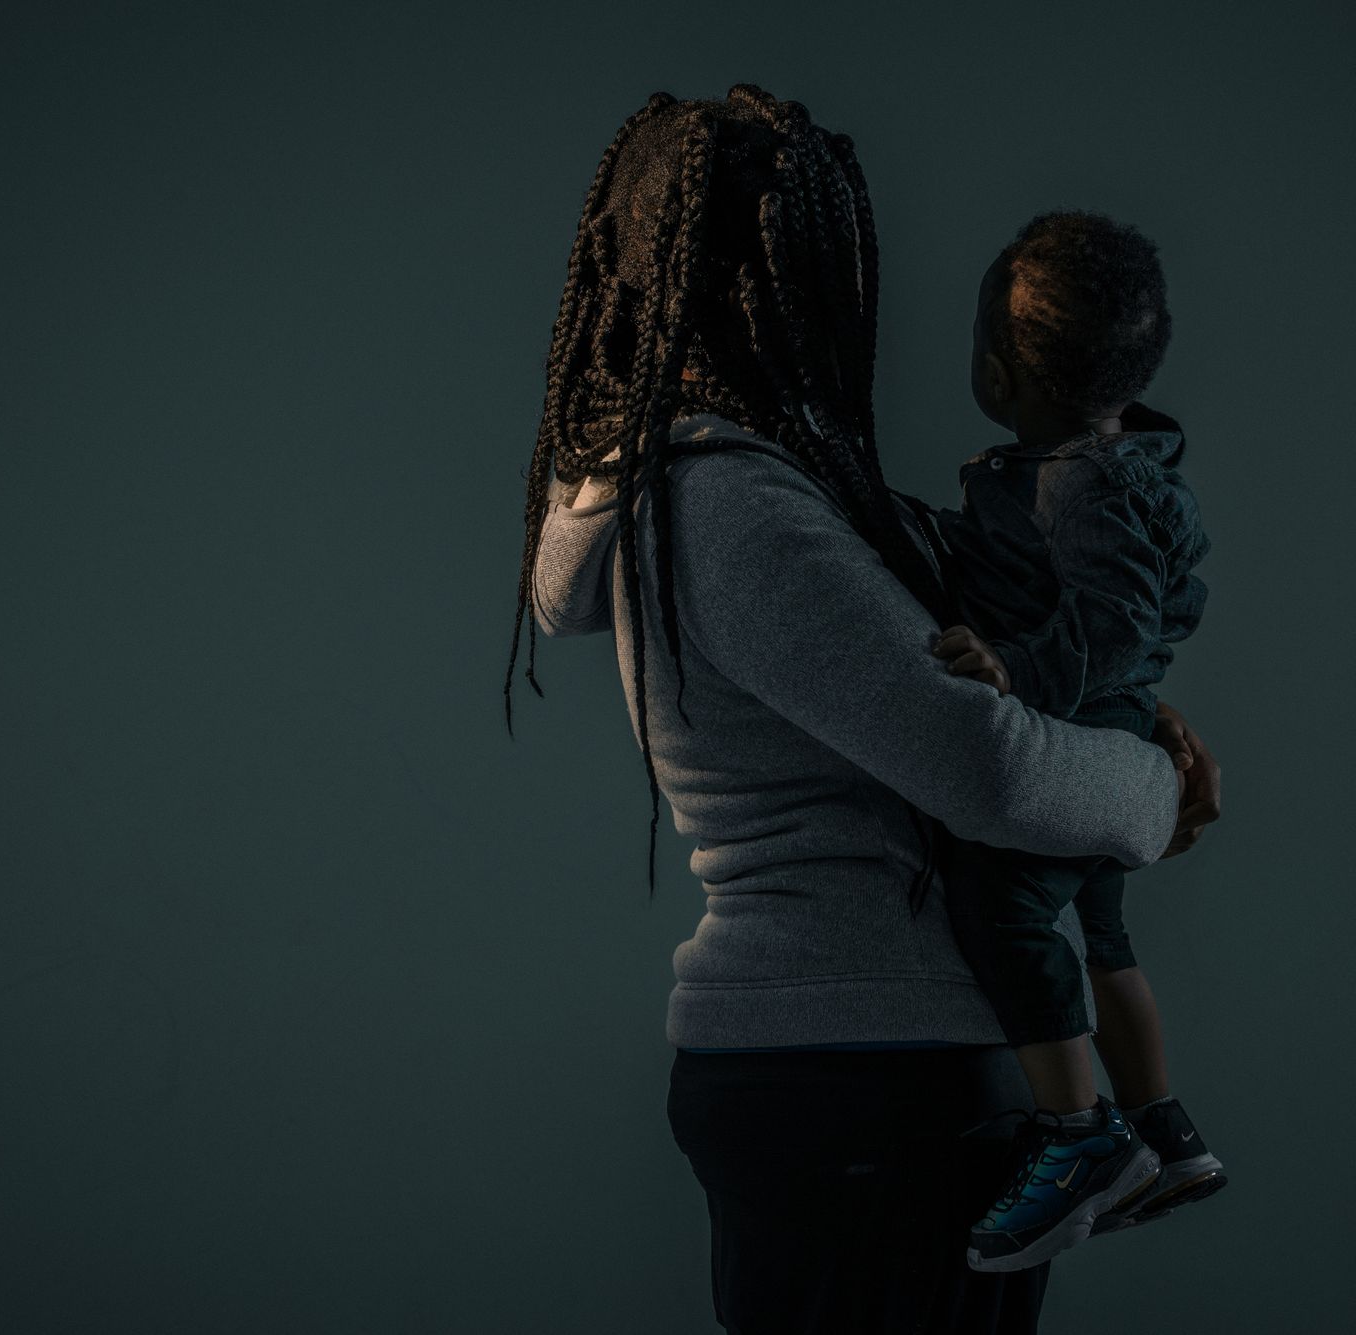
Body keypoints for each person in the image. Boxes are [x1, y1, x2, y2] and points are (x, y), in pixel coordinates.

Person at [502, 86, 1222, 1335]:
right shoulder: (731, 504)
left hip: (868, 1072)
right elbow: (984, 768)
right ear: (781, 279)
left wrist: (1120, 726)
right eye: (826, 259)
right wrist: (1150, 797)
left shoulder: (762, 489)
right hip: (861, 1074)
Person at [925, 212, 1225, 1274]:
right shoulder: (1098, 466)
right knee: (1101, 931)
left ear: (1003, 374)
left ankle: (1079, 1134)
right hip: (1114, 719)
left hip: (1076, 721)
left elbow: (1115, 621)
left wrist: (1018, 681)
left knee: (1001, 905)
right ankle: (1165, 1132)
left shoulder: (1074, 482)